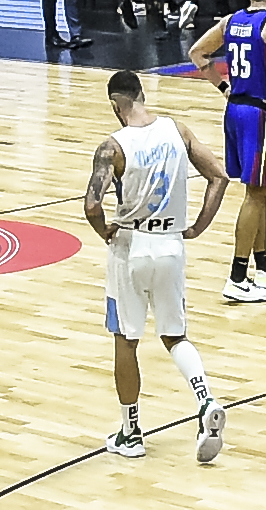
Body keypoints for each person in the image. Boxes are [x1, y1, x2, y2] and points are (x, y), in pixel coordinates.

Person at [90, 67, 230, 466]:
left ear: (117, 104)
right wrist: (198, 226)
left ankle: (131, 432)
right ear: (142, 94)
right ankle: (206, 402)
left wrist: (106, 232)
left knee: (125, 339)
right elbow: (218, 177)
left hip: (130, 248)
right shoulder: (177, 130)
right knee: (175, 336)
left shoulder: (112, 147)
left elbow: (92, 205)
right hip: (171, 245)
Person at [201, 0, 266, 307]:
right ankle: (238, 278)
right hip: (260, 113)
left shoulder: (231, 21)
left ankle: (263, 265)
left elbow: (197, 52)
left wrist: (223, 87)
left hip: (234, 110)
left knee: (259, 192)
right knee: (255, 194)